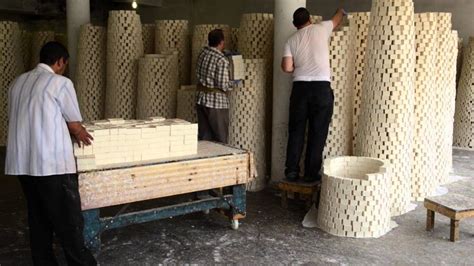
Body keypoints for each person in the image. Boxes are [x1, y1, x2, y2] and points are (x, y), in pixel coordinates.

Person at [5, 41, 97, 265]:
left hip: (22, 165)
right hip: (50, 165)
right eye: (64, 64)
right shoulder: (60, 83)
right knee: (68, 222)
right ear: (60, 62)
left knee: (38, 219)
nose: (63, 68)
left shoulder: (17, 83)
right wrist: (84, 134)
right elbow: (74, 124)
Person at [281, 7, 346, 182]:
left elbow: (287, 67)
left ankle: (292, 171)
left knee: (296, 131)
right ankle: (310, 174)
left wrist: (299, 67)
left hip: (300, 88)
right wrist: (341, 10)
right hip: (321, 88)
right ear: (310, 19)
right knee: (318, 132)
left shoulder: (291, 40)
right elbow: (337, 18)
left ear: (295, 24)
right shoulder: (321, 28)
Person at [195, 28, 240, 143]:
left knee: (204, 138)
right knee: (221, 139)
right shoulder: (221, 60)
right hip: (215, 104)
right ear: (221, 42)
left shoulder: (202, 53)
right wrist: (235, 82)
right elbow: (223, 85)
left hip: (201, 99)